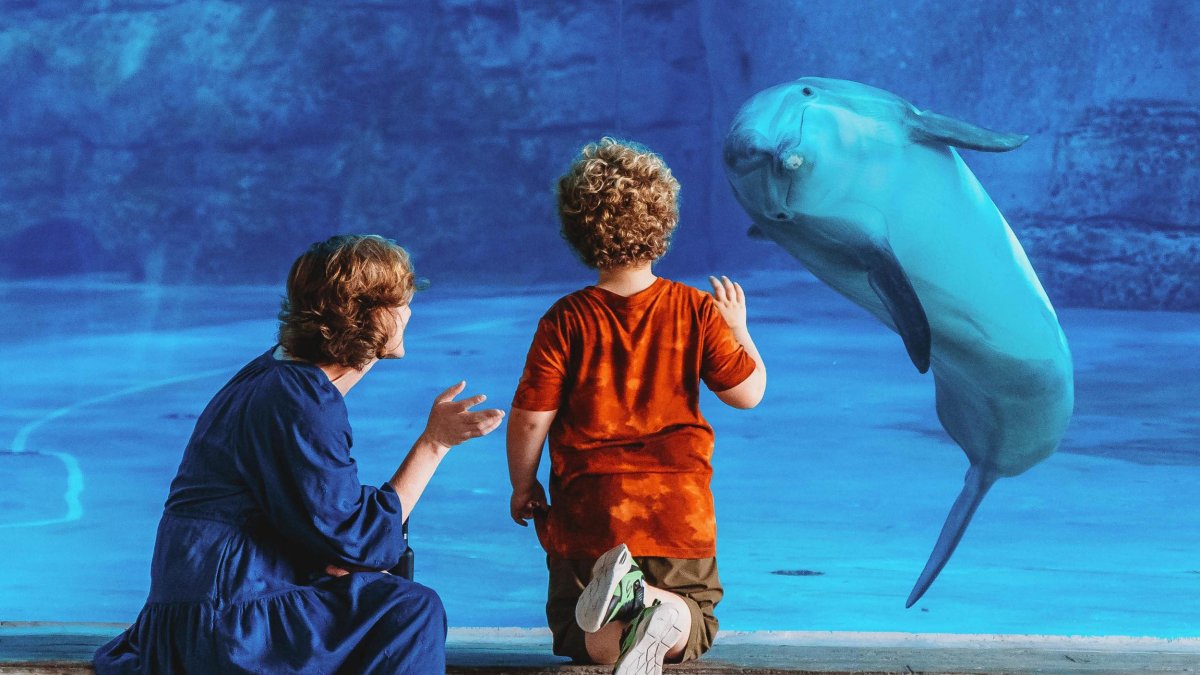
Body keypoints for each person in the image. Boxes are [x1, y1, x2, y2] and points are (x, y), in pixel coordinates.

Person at [94, 234, 505, 674]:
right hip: (226, 620)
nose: (409, 312)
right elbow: (358, 537)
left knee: (376, 596)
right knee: (410, 610)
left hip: (188, 608)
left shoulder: (268, 376)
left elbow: (317, 507)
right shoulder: (300, 400)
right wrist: (435, 442)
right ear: (365, 313)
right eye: (399, 303)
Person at [506, 138, 767, 675]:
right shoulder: (696, 311)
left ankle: (627, 605)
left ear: (577, 230)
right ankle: (650, 605)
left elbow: (532, 417)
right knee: (695, 621)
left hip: (589, 514)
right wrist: (740, 331)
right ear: (663, 224)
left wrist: (523, 484)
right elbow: (748, 394)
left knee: (579, 633)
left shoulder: (565, 319)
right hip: (677, 514)